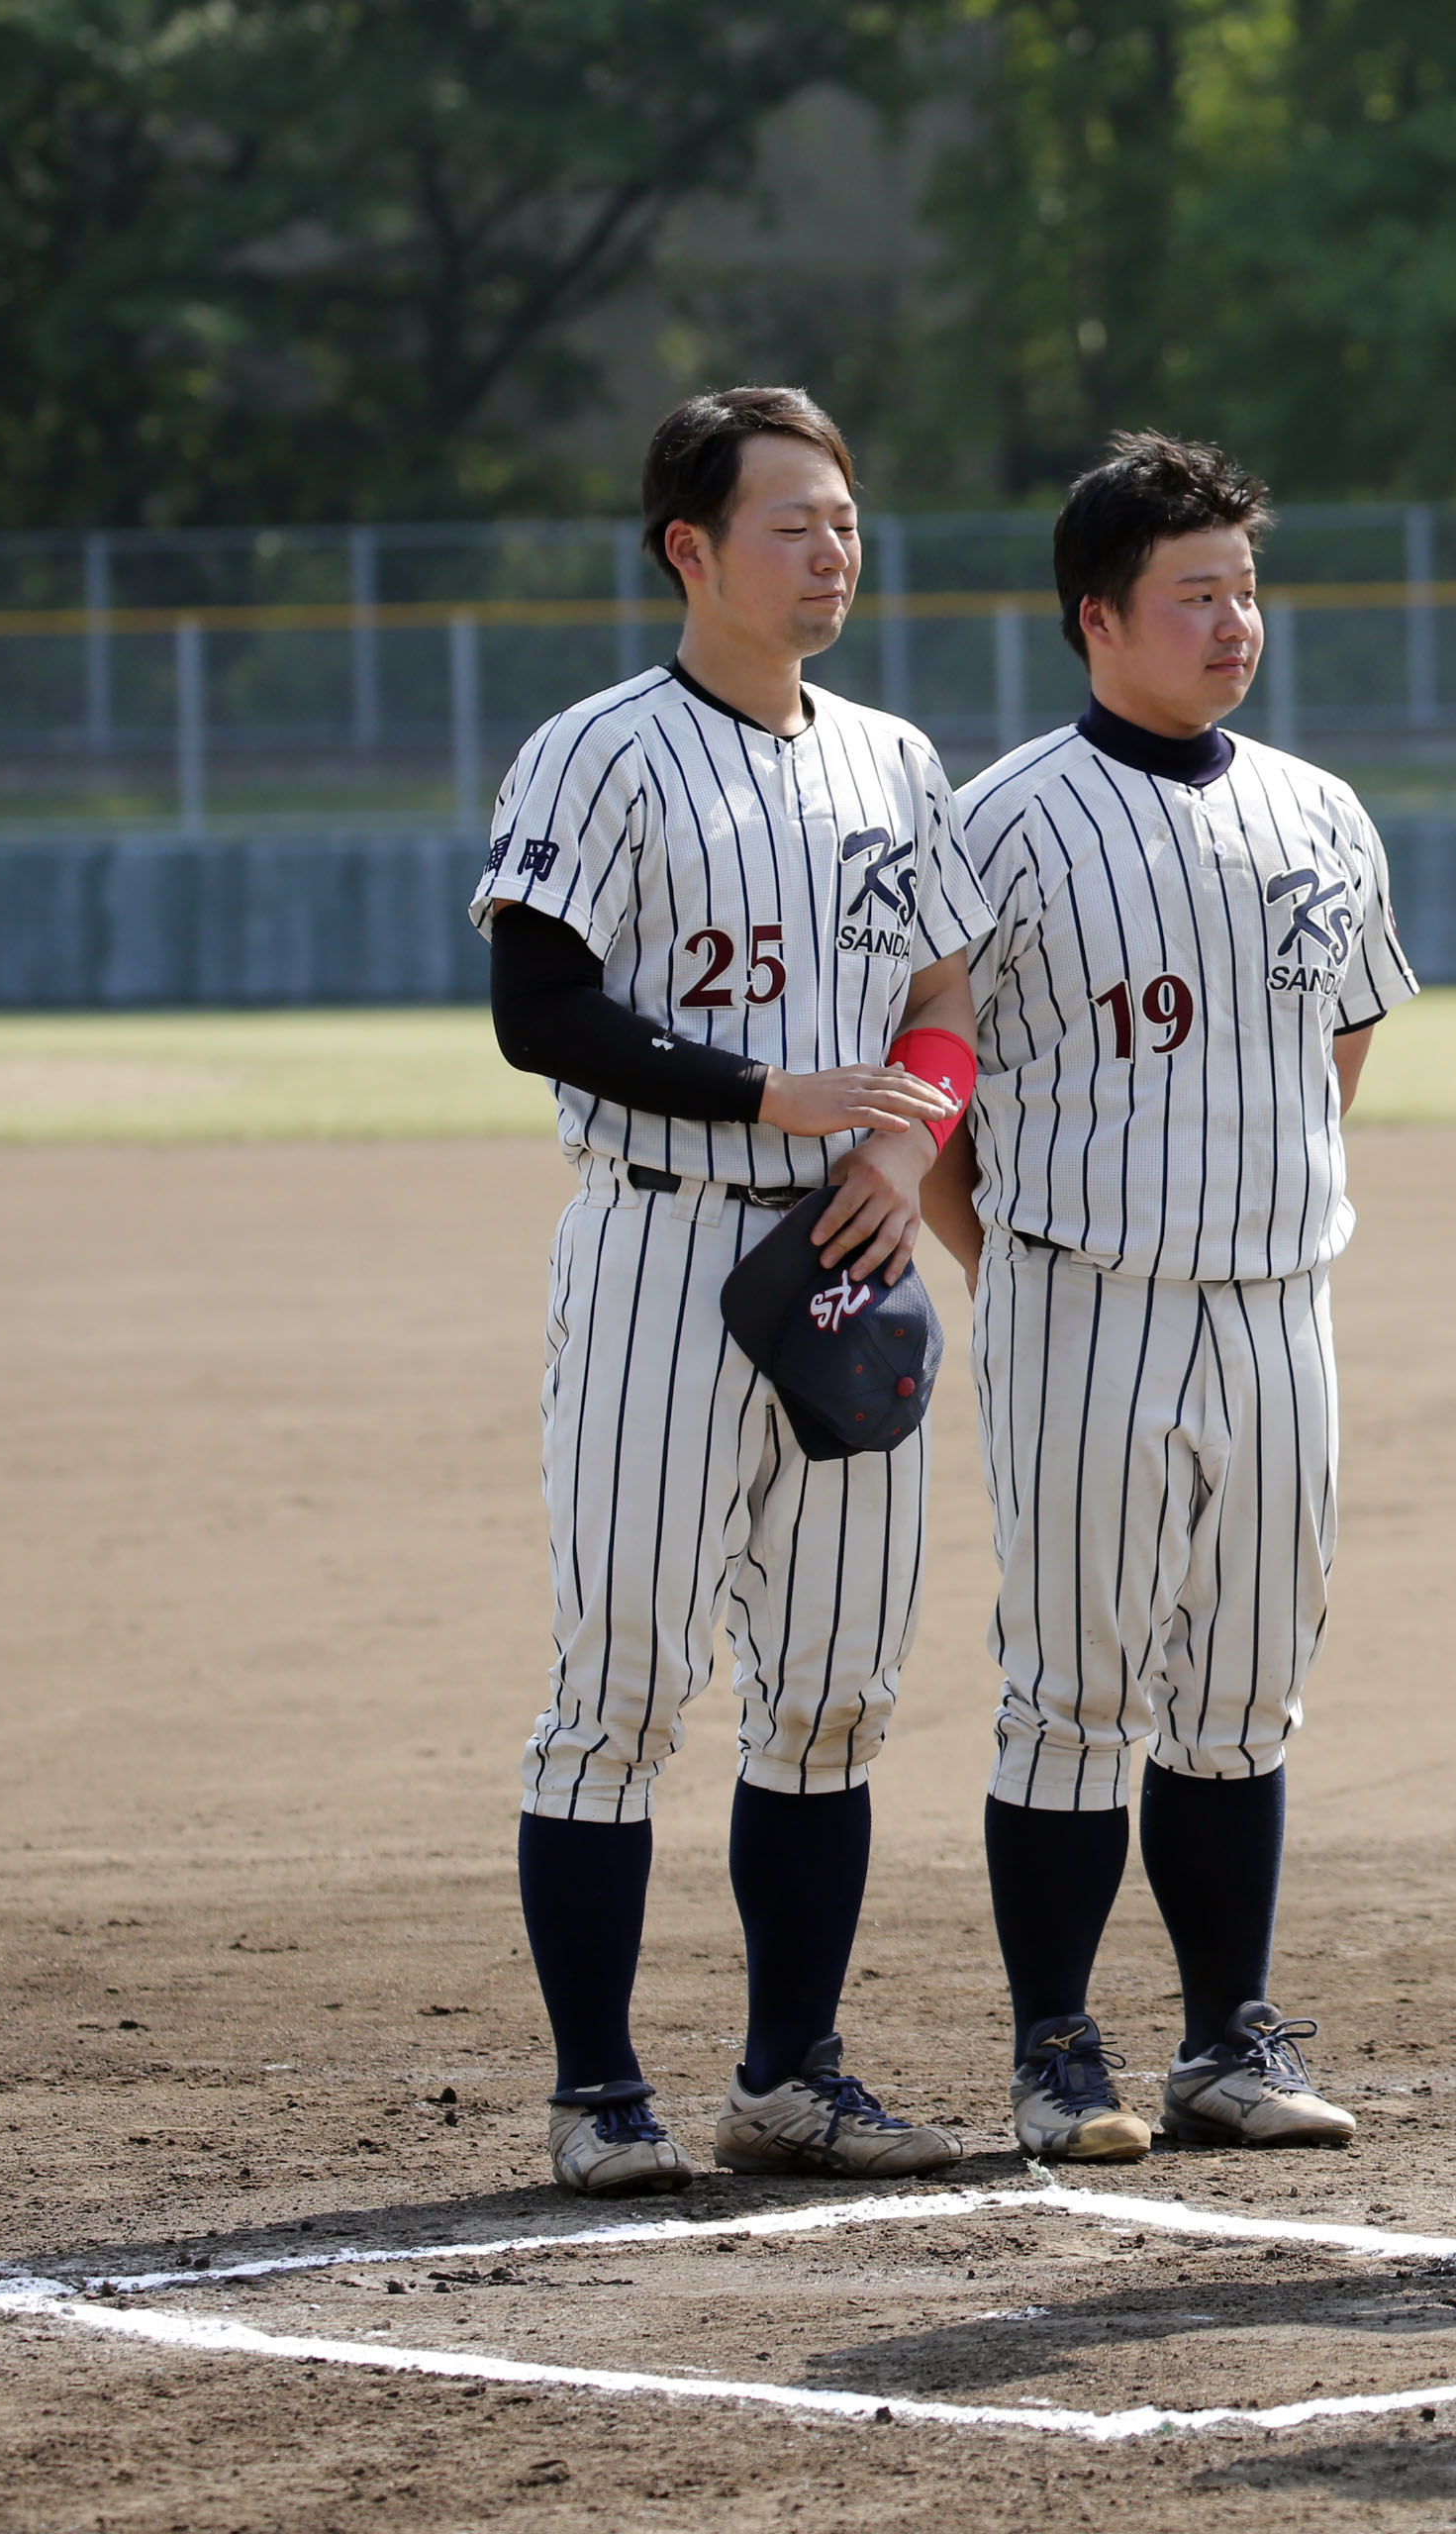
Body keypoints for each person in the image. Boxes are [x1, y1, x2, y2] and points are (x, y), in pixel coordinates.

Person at [474, 386, 992, 2196]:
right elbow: (539, 1011)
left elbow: (944, 1003)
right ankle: (599, 2091)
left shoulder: (897, 760)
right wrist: (773, 1094)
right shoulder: (598, 752)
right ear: (690, 549)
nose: (832, 548)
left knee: (838, 1687)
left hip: (848, 1242)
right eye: (793, 521)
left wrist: (894, 1144)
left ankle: (792, 2076)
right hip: (664, 1235)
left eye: (845, 518)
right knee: (620, 1679)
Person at [920, 433, 1417, 2163]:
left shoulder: (1318, 813)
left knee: (1248, 1683)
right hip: (1083, 1296)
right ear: (1099, 616)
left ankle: (1226, 2038)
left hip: (1282, 1299)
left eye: (1246, 588)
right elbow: (933, 1087)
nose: (1235, 623)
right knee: (1073, 1682)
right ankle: (1056, 2044)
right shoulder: (1002, 823)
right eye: (1195, 593)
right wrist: (1019, 1268)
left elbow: (1339, 1041)